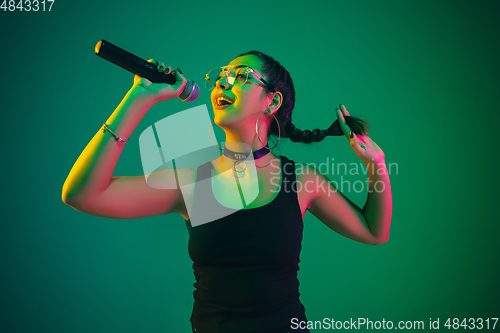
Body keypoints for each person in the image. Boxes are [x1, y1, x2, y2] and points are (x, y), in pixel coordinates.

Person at [62, 50, 392, 333]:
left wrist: (376, 163)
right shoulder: (191, 182)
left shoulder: (301, 182)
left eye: (240, 76)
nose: (223, 81)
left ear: (272, 101)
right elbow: (82, 194)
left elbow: (374, 232)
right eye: (222, 75)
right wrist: (138, 99)